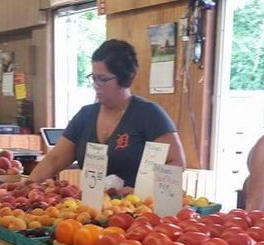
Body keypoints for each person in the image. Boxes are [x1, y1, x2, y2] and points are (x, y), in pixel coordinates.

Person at [29, 39, 185, 187]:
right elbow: (55, 159)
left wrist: (142, 190)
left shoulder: (149, 114)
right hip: (90, 208)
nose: (96, 85)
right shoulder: (85, 115)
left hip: (138, 209)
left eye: (103, 79)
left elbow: (175, 163)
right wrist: (29, 184)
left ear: (126, 78)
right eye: (94, 78)